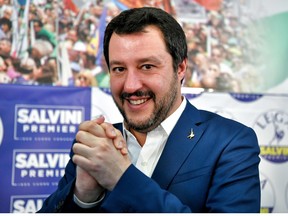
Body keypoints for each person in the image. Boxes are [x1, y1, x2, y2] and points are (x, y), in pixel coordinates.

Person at [38, 7, 260, 213]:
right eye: (119, 68)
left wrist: (122, 177)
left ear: (180, 67)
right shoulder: (95, 145)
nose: (131, 85)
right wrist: (84, 196)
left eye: (147, 67)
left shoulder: (231, 142)